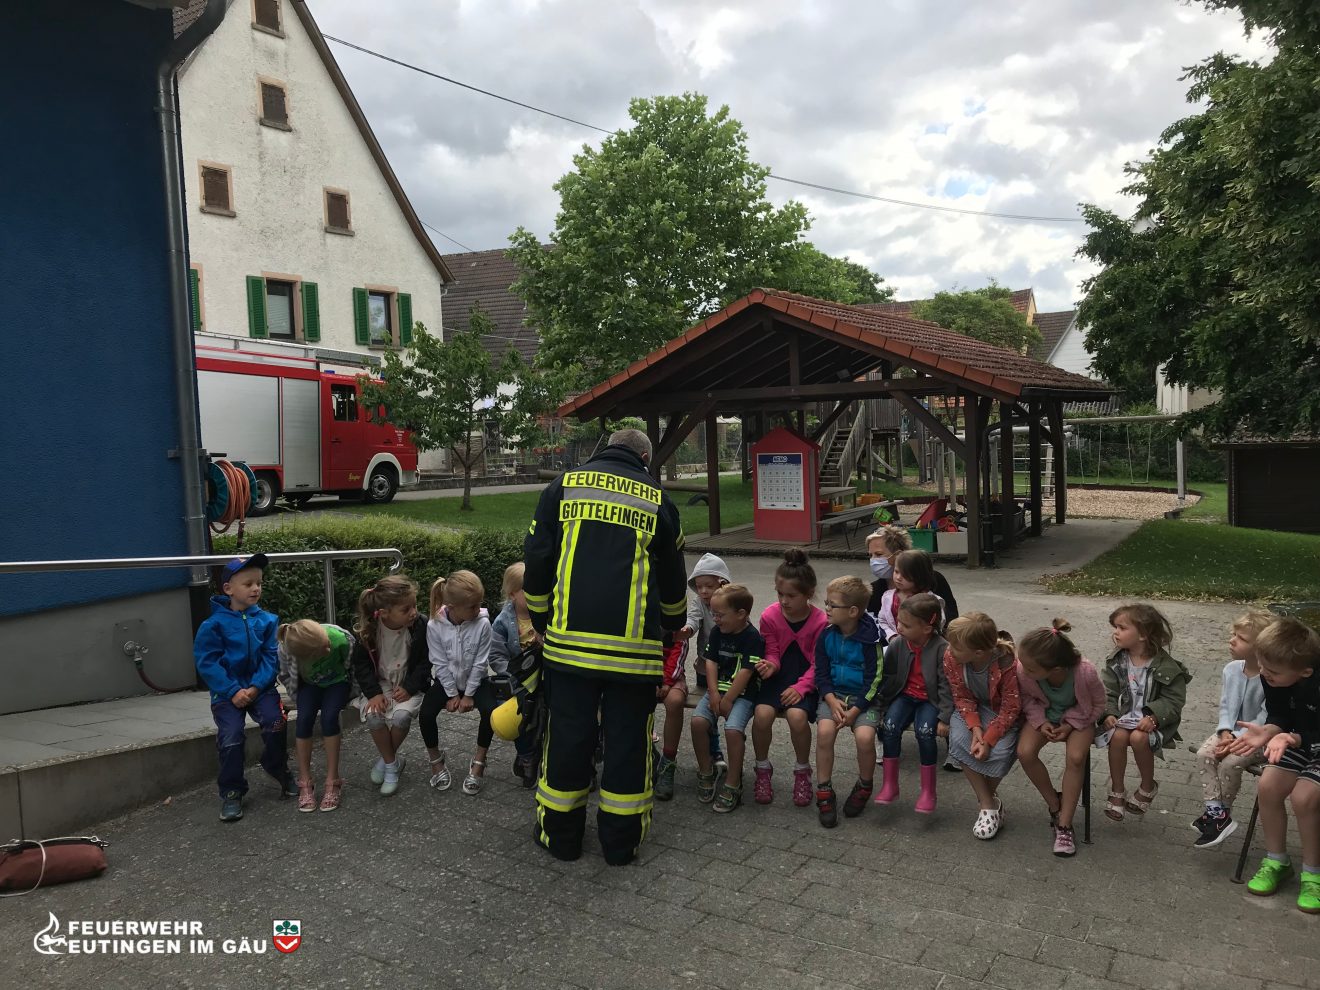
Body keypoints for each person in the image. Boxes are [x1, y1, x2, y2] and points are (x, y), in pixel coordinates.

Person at [523, 428, 688, 865]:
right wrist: (673, 626)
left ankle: (561, 838)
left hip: (569, 650)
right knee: (628, 746)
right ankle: (619, 844)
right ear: (645, 456)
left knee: (567, 740)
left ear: (605, 449)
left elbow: (537, 558)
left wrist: (542, 619)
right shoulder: (656, 498)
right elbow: (673, 579)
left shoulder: (564, 486)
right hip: (633, 657)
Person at [1227, 617, 1320, 913]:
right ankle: (1278, 861)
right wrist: (1268, 732)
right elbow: (1279, 714)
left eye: (1272, 671)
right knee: (1267, 786)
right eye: (1262, 667)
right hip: (1294, 741)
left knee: (1304, 798)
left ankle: (1312, 874)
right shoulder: (1275, 676)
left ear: (1305, 671)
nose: (1264, 675)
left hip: (1309, 743)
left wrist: (1291, 738)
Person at [194, 554, 295, 822]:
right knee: (231, 736)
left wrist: (255, 687)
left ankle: (276, 765)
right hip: (227, 692)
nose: (256, 589)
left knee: (276, 722)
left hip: (258, 688)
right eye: (248, 584)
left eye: (259, 583)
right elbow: (207, 662)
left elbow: (270, 656)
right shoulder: (213, 625)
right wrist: (232, 690)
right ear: (228, 589)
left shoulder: (267, 620)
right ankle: (231, 792)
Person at [1015, 619, 1106, 857]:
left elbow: (1098, 704)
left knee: (1076, 758)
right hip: (1044, 716)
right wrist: (1041, 722)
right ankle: (1055, 805)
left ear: (1055, 669)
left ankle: (1064, 825)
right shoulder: (1025, 669)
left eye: (1031, 669)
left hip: (1079, 719)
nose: (1023, 670)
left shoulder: (1085, 672)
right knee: (1025, 752)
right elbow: (1026, 699)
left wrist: (1070, 725)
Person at [1098, 604, 1190, 822]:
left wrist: (1154, 717)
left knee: (1139, 738)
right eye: (1115, 627)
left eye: (1122, 628)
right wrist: (1108, 713)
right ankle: (1117, 790)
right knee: (1118, 736)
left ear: (1143, 634)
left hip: (1155, 722)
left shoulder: (1166, 666)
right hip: (1126, 718)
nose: (1116, 632)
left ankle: (1148, 786)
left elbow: (1174, 700)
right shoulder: (1117, 661)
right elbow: (1106, 691)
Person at [750, 549, 827, 807]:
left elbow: (820, 663)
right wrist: (770, 666)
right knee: (761, 715)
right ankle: (762, 768)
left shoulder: (820, 621)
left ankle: (802, 771)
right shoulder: (769, 616)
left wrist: (802, 686)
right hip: (778, 678)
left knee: (796, 716)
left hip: (807, 680)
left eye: (791, 596)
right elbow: (772, 651)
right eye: (779, 594)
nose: (784, 601)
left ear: (809, 593)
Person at [1192, 609, 1273, 848]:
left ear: (1260, 648)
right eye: (1233, 634)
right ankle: (1215, 812)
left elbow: (1265, 716)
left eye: (1241, 638)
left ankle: (1221, 814)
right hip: (1229, 732)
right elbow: (1226, 706)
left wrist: (1236, 738)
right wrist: (1225, 731)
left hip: (1261, 737)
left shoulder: (1270, 677)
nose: (1232, 640)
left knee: (1230, 763)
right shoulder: (1231, 669)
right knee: (1204, 754)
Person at [813, 575, 884, 828]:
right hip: (833, 696)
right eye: (827, 603)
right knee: (824, 732)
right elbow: (820, 673)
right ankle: (824, 791)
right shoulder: (826, 635)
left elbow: (874, 680)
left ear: (853, 611)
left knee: (865, 738)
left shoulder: (871, 639)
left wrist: (855, 711)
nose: (827, 609)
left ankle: (864, 785)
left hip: (863, 700)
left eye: (833, 605)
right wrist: (830, 700)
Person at [421, 571, 499, 796]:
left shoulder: (483, 624)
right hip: (447, 682)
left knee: (490, 712)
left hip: (476, 681)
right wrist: (452, 694)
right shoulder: (434, 625)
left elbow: (480, 662)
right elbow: (439, 662)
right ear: (451, 606)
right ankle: (436, 760)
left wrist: (468, 695)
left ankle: (479, 760)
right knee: (426, 714)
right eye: (471, 607)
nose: (477, 611)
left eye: (479, 605)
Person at [943, 614, 1020, 839]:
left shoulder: (1008, 665)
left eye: (955, 646)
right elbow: (961, 695)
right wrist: (976, 730)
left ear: (977, 653)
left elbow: (1011, 708)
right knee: (959, 740)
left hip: (1001, 714)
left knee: (1003, 751)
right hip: (972, 709)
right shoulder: (951, 657)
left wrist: (988, 740)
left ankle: (987, 797)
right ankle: (988, 804)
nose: (949, 649)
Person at [873, 593, 952, 813]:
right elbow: (887, 678)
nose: (899, 628)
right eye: (899, 621)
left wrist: (945, 717)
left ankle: (928, 790)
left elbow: (947, 686)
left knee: (925, 732)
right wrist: (880, 706)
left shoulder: (942, 649)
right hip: (905, 696)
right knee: (889, 726)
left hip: (930, 700)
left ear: (927, 628)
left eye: (906, 625)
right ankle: (890, 784)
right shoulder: (899, 644)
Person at [350, 575, 428, 796]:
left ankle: (387, 763)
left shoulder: (419, 625)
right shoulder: (369, 631)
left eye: (414, 605)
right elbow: (362, 666)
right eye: (406, 609)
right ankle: (393, 764)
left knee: (401, 717)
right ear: (384, 613)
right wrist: (373, 694)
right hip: (381, 683)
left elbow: (425, 661)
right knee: (375, 715)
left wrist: (410, 687)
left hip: (407, 683)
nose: (413, 612)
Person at [691, 584, 764, 813]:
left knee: (733, 730)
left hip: (742, 695)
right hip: (718, 691)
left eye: (720, 615)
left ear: (741, 614)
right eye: (713, 614)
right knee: (698, 722)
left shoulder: (752, 637)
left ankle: (734, 782)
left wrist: (728, 699)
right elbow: (710, 661)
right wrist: (713, 693)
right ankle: (707, 770)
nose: (715, 619)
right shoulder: (717, 632)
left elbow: (746, 672)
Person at [277, 618, 355, 813]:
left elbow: (352, 664)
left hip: (337, 682)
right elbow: (286, 675)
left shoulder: (340, 639)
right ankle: (305, 781)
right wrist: (296, 693)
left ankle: (333, 780)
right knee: (303, 720)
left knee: (330, 718)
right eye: (322, 651)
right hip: (309, 685)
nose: (327, 650)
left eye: (326, 645)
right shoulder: (288, 650)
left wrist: (354, 691)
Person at [678, 553, 733, 775]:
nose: (703, 592)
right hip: (705, 667)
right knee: (709, 710)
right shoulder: (699, 603)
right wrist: (687, 630)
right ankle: (715, 750)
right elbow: (692, 619)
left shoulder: (733, 602)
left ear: (722, 583)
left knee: (724, 709)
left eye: (708, 586)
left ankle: (729, 753)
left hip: (729, 668)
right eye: (699, 586)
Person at [490, 562, 543, 788]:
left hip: (544, 677)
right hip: (519, 682)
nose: (536, 595)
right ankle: (526, 755)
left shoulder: (545, 616)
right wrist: (514, 675)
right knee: (519, 719)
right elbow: (496, 656)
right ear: (513, 594)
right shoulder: (503, 622)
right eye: (529, 591)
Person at [865, 527, 958, 625]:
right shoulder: (874, 590)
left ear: (898, 554)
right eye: (870, 555)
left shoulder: (933, 579)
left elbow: (950, 616)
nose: (873, 560)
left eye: (879, 554)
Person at [875, 549, 947, 642]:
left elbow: (937, 625)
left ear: (920, 576)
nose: (898, 578)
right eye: (896, 571)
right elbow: (882, 620)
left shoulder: (931, 601)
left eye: (905, 575)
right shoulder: (887, 597)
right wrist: (892, 636)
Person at [653, 633, 689, 801]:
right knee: (634, 697)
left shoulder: (675, 616)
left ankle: (668, 762)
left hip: (672, 673)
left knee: (675, 701)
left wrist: (666, 680)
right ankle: (648, 755)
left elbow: (680, 649)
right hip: (645, 670)